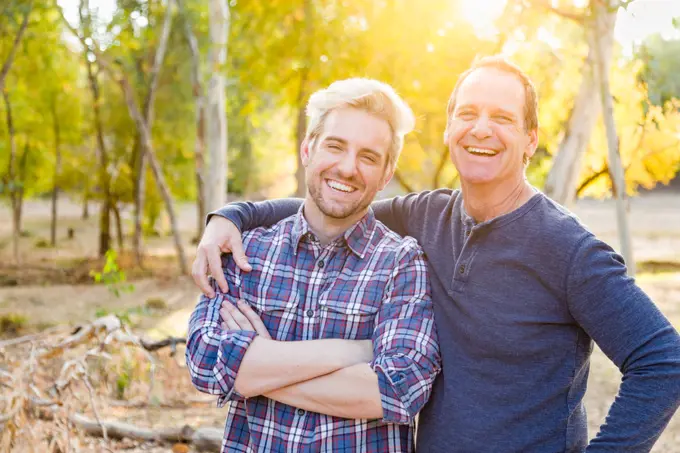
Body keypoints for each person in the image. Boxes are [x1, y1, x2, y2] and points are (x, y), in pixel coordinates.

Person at [192, 56, 680, 452]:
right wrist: (232, 216)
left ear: (531, 139)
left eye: (503, 118)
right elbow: (337, 199)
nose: (481, 129)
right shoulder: (427, 215)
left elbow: (663, 360)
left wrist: (255, 373)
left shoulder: (568, 249)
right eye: (467, 113)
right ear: (449, 129)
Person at [186, 78, 441, 453]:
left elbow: (399, 390)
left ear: (387, 174)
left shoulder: (401, 262)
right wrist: (352, 352)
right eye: (335, 146)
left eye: (368, 157)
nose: (348, 168)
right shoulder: (247, 251)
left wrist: (258, 364)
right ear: (308, 148)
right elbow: (205, 361)